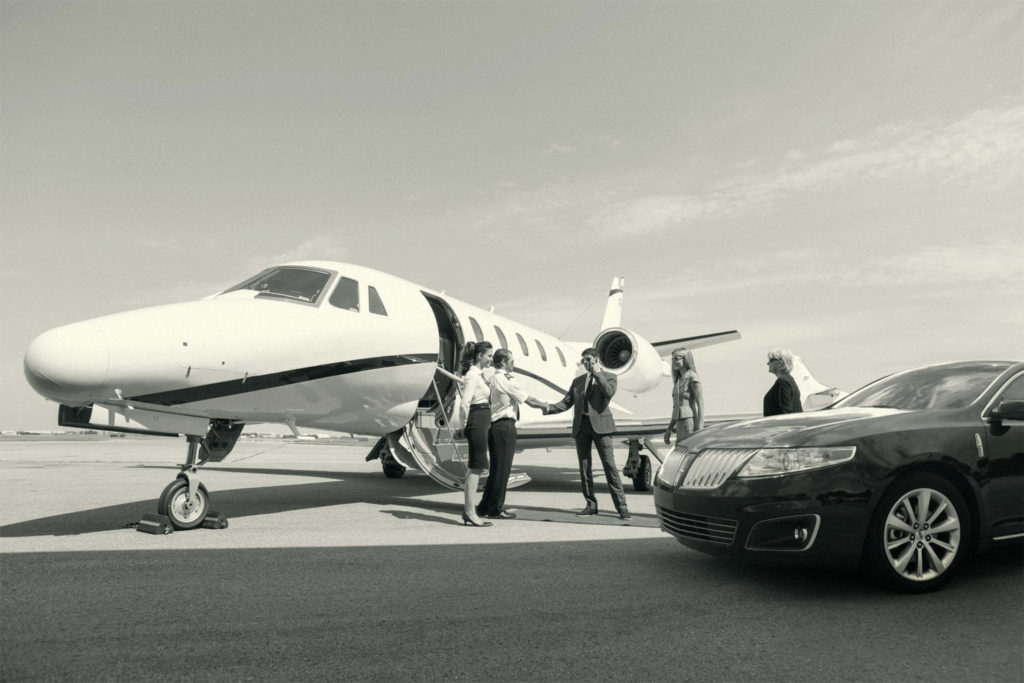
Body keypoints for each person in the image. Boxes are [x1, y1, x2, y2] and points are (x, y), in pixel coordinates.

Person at [543, 348, 630, 520]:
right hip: (581, 427)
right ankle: (591, 505)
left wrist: (598, 374)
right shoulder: (578, 381)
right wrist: (547, 408)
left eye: (589, 359)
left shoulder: (610, 376)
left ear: (596, 360)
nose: (586, 363)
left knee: (609, 467)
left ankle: (622, 507)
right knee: (584, 468)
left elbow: (609, 392)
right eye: (584, 360)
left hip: (601, 428)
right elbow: (566, 402)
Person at [477, 349, 547, 520]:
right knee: (503, 470)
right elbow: (528, 400)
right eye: (511, 361)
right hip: (505, 427)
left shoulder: (492, 378)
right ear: (503, 362)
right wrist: (547, 406)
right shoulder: (506, 379)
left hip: (494, 427)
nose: (513, 364)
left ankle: (484, 506)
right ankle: (495, 509)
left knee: (496, 469)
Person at [457, 341, 494, 527]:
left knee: (476, 466)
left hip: (481, 419)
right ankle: (470, 512)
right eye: (488, 355)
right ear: (480, 356)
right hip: (476, 420)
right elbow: (465, 403)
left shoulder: (479, 375)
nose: (491, 359)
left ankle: (469, 511)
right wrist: (464, 427)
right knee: (477, 466)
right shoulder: (472, 376)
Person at [664, 347, 704, 445]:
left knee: (688, 450)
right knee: (681, 451)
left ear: (685, 359)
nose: (673, 361)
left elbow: (701, 404)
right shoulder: (678, 380)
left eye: (676, 358)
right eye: (672, 359)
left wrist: (699, 428)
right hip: (679, 422)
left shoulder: (692, 377)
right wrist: (669, 429)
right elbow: (676, 408)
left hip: (689, 422)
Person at [764, 347, 803, 416]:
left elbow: (786, 412)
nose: (767, 363)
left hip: (782, 426)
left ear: (780, 363)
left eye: (771, 360)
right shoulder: (790, 380)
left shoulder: (783, 382)